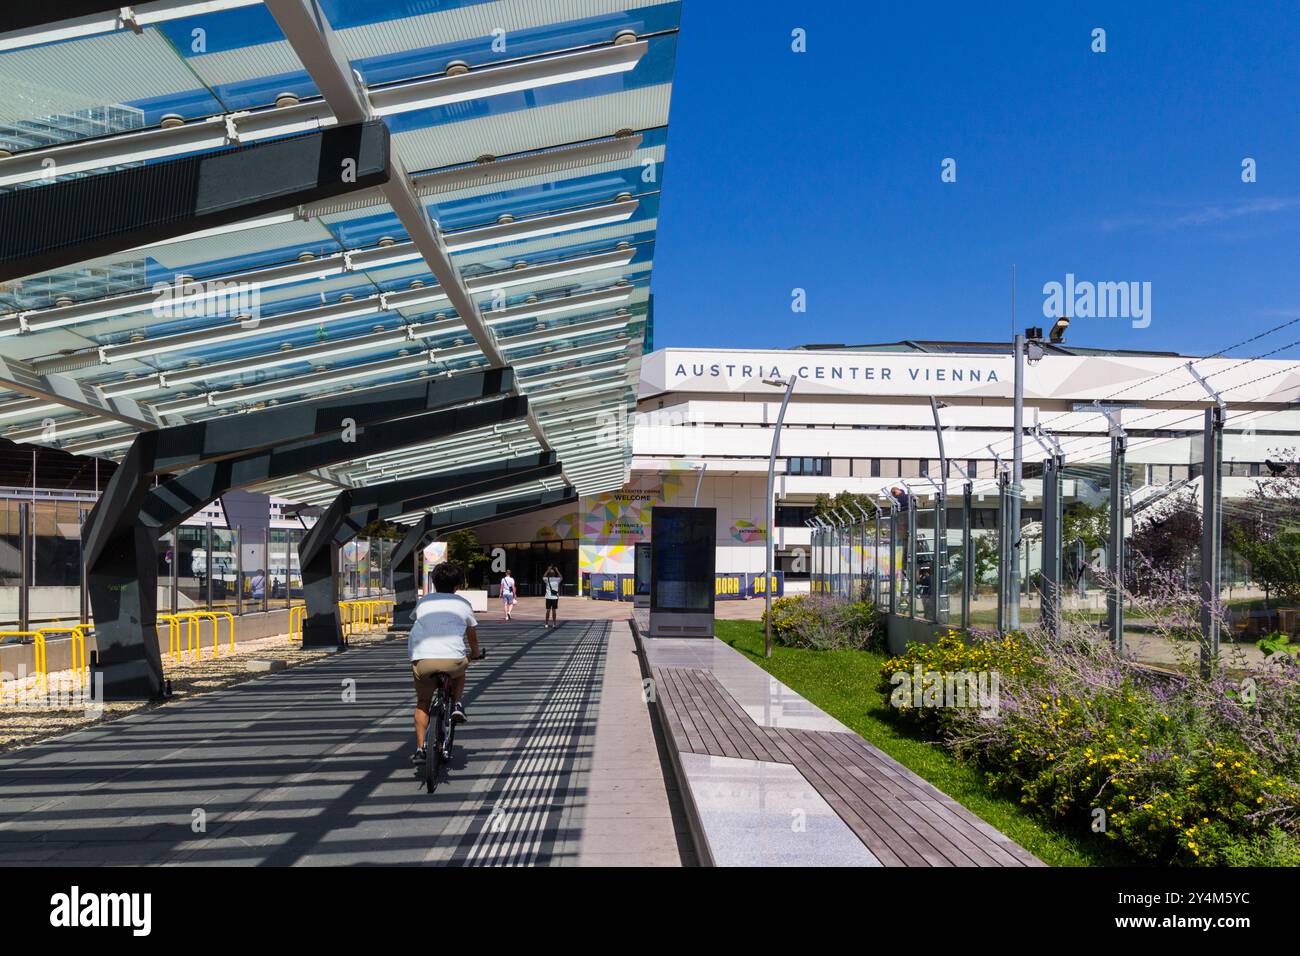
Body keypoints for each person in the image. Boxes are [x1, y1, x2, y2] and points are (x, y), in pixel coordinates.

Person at [408, 561, 480, 764]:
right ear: (457, 585)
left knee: (423, 702)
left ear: (434, 582)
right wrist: (474, 654)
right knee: (461, 667)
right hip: (453, 660)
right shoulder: (463, 604)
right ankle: (457, 703)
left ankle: (421, 748)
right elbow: (471, 633)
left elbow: (417, 621)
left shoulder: (424, 602)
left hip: (423, 660)